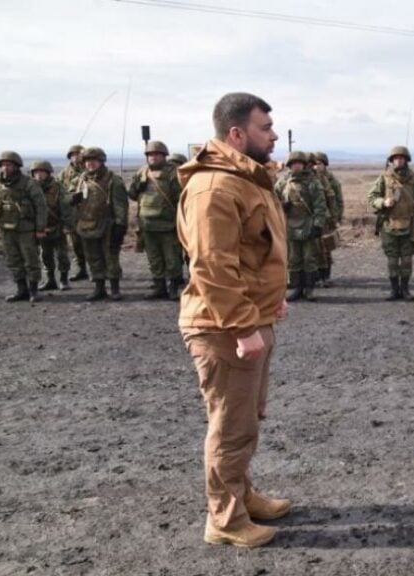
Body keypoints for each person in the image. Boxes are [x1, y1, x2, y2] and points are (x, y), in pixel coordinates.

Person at [177, 92, 290, 549]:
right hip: (222, 326)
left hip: (246, 316)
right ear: (237, 134)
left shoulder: (245, 180)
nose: (275, 134)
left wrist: (267, 304)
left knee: (246, 417)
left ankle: (241, 495)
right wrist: (244, 325)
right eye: (266, 127)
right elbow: (212, 266)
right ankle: (224, 519)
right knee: (230, 425)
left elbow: (251, 254)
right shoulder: (215, 188)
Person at [367, 146, 414, 301]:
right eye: (395, 158)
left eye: (402, 158)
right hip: (389, 225)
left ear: (406, 160)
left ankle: (405, 289)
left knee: (407, 260)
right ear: (391, 160)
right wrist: (383, 202)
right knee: (392, 260)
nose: (398, 160)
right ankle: (394, 289)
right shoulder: (384, 178)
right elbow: (371, 198)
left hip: (410, 225)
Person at [70, 147, 129, 301]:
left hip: (108, 225)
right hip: (86, 224)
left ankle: (115, 289)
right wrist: (71, 199)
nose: (90, 164)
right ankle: (99, 288)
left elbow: (121, 205)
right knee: (93, 257)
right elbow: (67, 200)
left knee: (110, 258)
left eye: (94, 160)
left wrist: (120, 226)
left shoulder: (113, 180)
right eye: (87, 161)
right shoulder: (79, 180)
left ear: (101, 161)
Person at [0, 151, 47, 302]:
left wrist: (40, 229)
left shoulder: (28, 183)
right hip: (6, 228)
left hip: (25, 228)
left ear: (16, 166)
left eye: (9, 165)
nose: (5, 168)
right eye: (3, 165)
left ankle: (33, 291)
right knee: (13, 260)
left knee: (30, 259)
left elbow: (41, 206)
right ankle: (22, 290)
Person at [129, 140, 184, 300]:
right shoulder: (142, 172)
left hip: (168, 224)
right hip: (147, 224)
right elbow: (132, 195)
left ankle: (173, 288)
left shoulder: (173, 173)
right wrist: (136, 187)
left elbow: (180, 197)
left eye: (157, 154)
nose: (153, 157)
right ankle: (159, 287)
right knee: (154, 258)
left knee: (172, 258)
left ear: (164, 156)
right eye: (150, 155)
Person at [276, 151, 328, 302]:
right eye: (293, 164)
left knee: (309, 258)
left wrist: (318, 225)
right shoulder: (283, 182)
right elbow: (273, 197)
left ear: (304, 165)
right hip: (290, 224)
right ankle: (297, 288)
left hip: (308, 224)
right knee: (294, 259)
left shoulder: (313, 182)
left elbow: (320, 206)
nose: (296, 166)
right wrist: (281, 205)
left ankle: (309, 289)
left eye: (299, 163)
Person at [31, 160, 73, 292]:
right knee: (45, 255)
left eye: (41, 172)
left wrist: (67, 225)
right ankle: (50, 280)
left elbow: (66, 207)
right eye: (36, 172)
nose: (39, 175)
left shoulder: (58, 187)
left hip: (57, 226)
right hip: (40, 228)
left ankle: (64, 279)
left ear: (48, 173)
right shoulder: (31, 188)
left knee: (62, 255)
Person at [312, 152, 344, 287]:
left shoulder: (331, 181)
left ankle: (326, 276)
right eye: (314, 164)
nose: (316, 167)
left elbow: (338, 200)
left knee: (326, 247)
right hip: (314, 217)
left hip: (328, 218)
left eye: (319, 164)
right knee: (314, 248)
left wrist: (337, 217)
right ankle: (316, 276)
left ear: (325, 165)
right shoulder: (311, 178)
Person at [59, 144, 89, 282]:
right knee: (76, 245)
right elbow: (58, 194)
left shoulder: (90, 170)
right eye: (74, 154)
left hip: (90, 214)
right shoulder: (64, 174)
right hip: (72, 215)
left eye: (79, 154)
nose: (77, 157)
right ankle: (81, 270)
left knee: (93, 244)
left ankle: (99, 271)